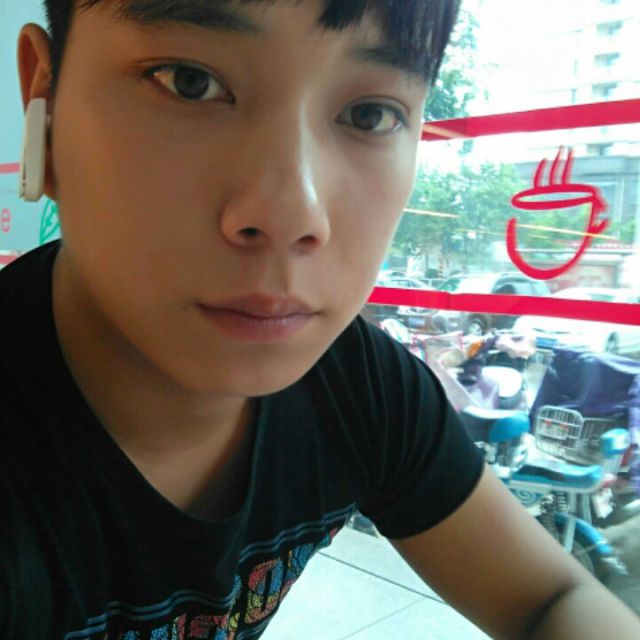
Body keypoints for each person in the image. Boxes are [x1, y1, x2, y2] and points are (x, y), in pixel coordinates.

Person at [2, 0, 639, 638]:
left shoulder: (357, 384)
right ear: (45, 106)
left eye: (370, 114)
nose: (292, 213)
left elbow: (549, 596)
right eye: (189, 82)